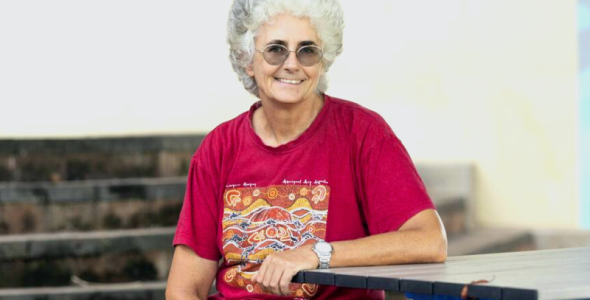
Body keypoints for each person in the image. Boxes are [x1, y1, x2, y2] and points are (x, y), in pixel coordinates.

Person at [166, 0, 447, 299]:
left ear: (322, 61)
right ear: (246, 58)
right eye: (275, 49)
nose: (291, 64)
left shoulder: (362, 134)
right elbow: (183, 290)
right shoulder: (219, 148)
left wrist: (317, 253)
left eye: (307, 50)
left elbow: (429, 242)